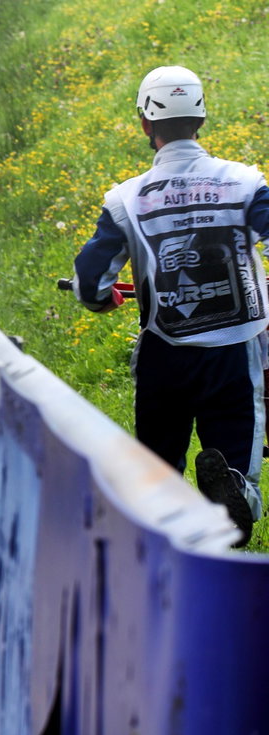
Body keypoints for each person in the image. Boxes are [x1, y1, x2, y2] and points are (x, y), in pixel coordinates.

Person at [74, 65, 269, 545]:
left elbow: (90, 281)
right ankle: (234, 496)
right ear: (201, 119)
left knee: (157, 467)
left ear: (146, 123)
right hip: (235, 351)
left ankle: (163, 529)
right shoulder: (245, 183)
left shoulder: (126, 200)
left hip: (165, 353)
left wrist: (100, 300)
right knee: (238, 458)